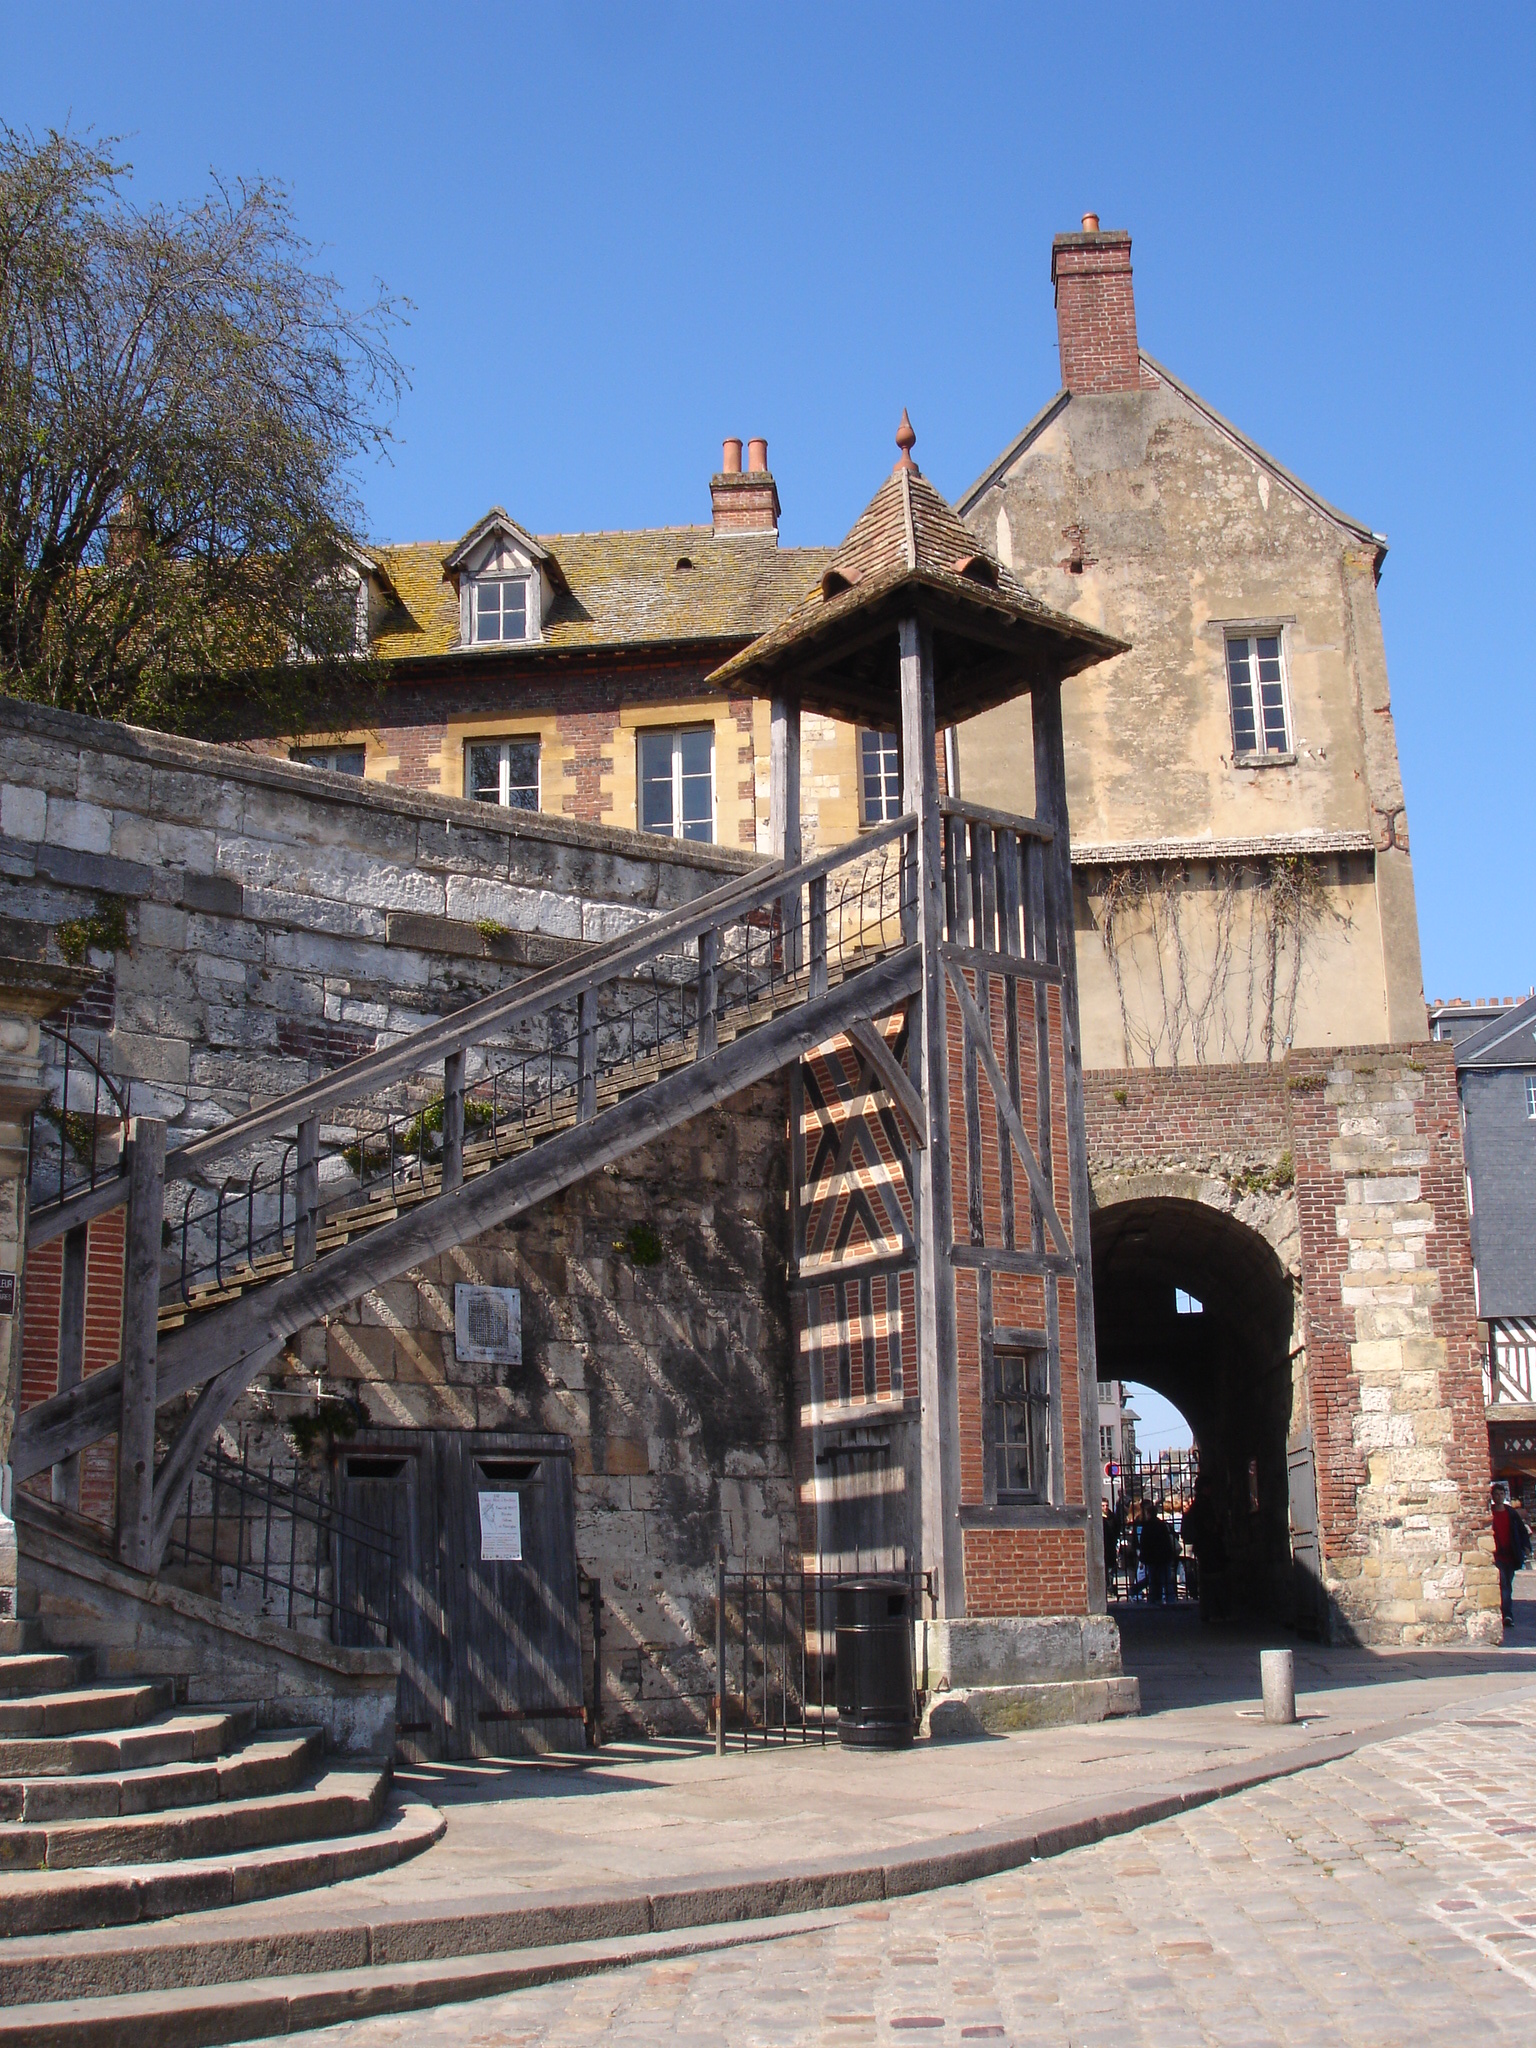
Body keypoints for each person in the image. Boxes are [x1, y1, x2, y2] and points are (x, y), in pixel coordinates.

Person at [1492, 1482, 1532, 1626]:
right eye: (1496, 1494)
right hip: (1498, 1556)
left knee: (1507, 1584)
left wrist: (1526, 1546)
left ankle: (1506, 1613)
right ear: (1493, 1496)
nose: (1499, 1496)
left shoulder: (1511, 1513)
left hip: (1510, 1554)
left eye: (1501, 1494)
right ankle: (1506, 1614)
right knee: (1503, 1584)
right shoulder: (1490, 1514)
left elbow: (1521, 1531)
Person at [1137, 1498, 1179, 1605]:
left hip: (1152, 1556)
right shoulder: (1162, 1525)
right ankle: (1170, 1599)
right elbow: (1167, 1540)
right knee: (1166, 1579)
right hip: (1163, 1555)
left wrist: (1143, 1556)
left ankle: (1154, 1598)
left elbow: (1144, 1542)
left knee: (1153, 1579)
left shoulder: (1147, 1526)